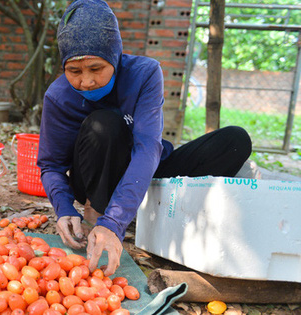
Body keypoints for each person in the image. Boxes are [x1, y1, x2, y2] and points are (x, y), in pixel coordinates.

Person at [37, 0, 252, 276]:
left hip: (146, 169)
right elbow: (52, 165)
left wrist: (115, 223)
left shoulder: (145, 74)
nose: (86, 81)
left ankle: (145, 208)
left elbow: (148, 147)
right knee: (104, 124)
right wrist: (64, 208)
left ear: (114, 56)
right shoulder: (58, 97)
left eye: (95, 68)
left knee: (235, 140)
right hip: (94, 179)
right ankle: (98, 212)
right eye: (74, 71)